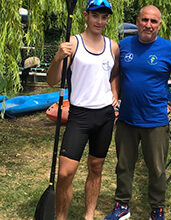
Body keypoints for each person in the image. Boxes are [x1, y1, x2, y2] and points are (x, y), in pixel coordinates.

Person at [104, 5, 171, 220]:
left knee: (157, 169)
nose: (148, 25)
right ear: (138, 21)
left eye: (153, 21)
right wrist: (113, 95)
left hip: (155, 121)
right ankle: (122, 205)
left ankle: (157, 208)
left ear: (159, 25)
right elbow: (115, 73)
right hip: (127, 119)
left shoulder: (169, 49)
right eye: (145, 20)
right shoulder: (124, 45)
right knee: (123, 166)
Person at [47, 0, 120, 219]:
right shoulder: (73, 43)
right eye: (95, 15)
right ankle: (61, 217)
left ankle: (89, 215)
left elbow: (115, 73)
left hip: (105, 116)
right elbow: (53, 80)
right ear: (85, 16)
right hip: (79, 115)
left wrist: (115, 93)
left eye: (104, 17)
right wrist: (58, 58)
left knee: (96, 168)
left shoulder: (112, 46)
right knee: (65, 173)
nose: (100, 21)